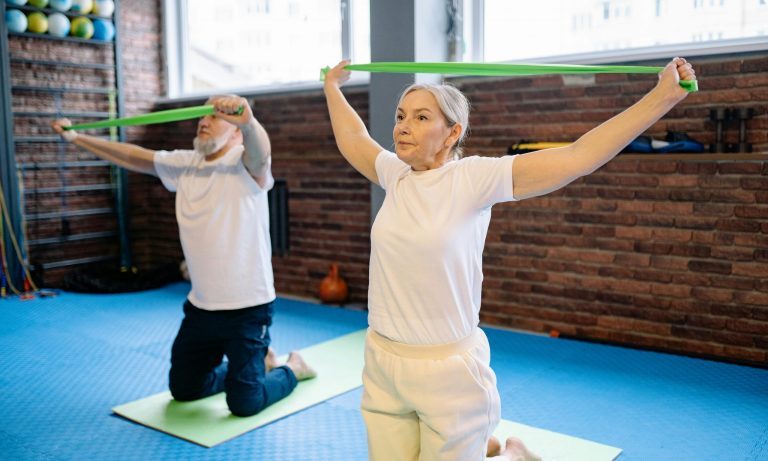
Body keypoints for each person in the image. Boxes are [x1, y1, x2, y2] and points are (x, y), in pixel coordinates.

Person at [323, 57, 696, 461]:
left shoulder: (471, 179)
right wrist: (332, 86)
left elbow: (579, 156)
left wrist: (662, 97)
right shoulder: (395, 174)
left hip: (448, 372)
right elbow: (353, 138)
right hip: (382, 361)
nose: (403, 126)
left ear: (452, 133)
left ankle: (510, 455)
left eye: (421, 116)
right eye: (401, 116)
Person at [52, 95, 316, 417]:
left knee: (244, 404)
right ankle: (254, 366)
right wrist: (78, 137)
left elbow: (261, 154)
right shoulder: (185, 164)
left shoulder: (245, 165)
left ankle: (291, 368)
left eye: (214, 117)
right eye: (201, 117)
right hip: (201, 309)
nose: (204, 122)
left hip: (248, 311)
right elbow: (134, 156)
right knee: (185, 389)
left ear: (235, 133)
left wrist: (247, 122)